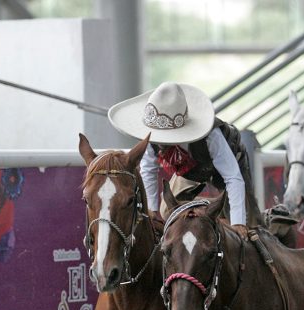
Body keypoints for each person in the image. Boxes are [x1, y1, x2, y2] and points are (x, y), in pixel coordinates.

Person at [108, 81, 262, 239]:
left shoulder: (211, 136)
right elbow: (148, 170)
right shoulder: (150, 136)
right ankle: (206, 209)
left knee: (247, 226)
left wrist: (238, 222)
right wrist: (151, 210)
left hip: (229, 166)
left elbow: (233, 177)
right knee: (167, 211)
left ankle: (219, 212)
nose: (160, 140)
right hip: (191, 171)